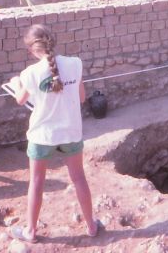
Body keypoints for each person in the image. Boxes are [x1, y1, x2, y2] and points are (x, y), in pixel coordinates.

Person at [7, 24, 101, 243]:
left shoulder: (29, 73)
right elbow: (81, 98)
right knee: (79, 178)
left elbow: (20, 100)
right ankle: (91, 226)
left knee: (36, 182)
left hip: (42, 134)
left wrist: (16, 83)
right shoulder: (75, 64)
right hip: (70, 131)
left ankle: (30, 231)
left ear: (31, 49)